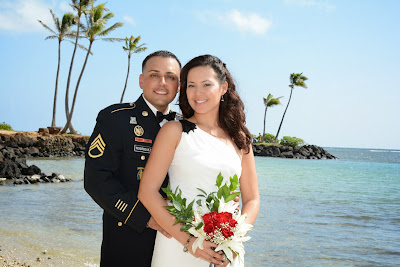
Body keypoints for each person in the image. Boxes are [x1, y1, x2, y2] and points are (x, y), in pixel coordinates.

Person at [138, 55, 260, 267]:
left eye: (206, 85)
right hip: (178, 245)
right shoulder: (174, 131)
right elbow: (147, 191)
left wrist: (232, 237)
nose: (198, 93)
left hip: (225, 252)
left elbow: (252, 200)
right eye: (191, 85)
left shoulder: (240, 138)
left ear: (223, 88)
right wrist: (191, 242)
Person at [84, 50, 182, 266]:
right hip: (127, 235)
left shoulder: (187, 127)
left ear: (179, 86)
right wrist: (145, 217)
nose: (162, 83)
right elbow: (97, 180)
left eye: (171, 77)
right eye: (154, 75)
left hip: (175, 241)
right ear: (141, 80)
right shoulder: (115, 119)